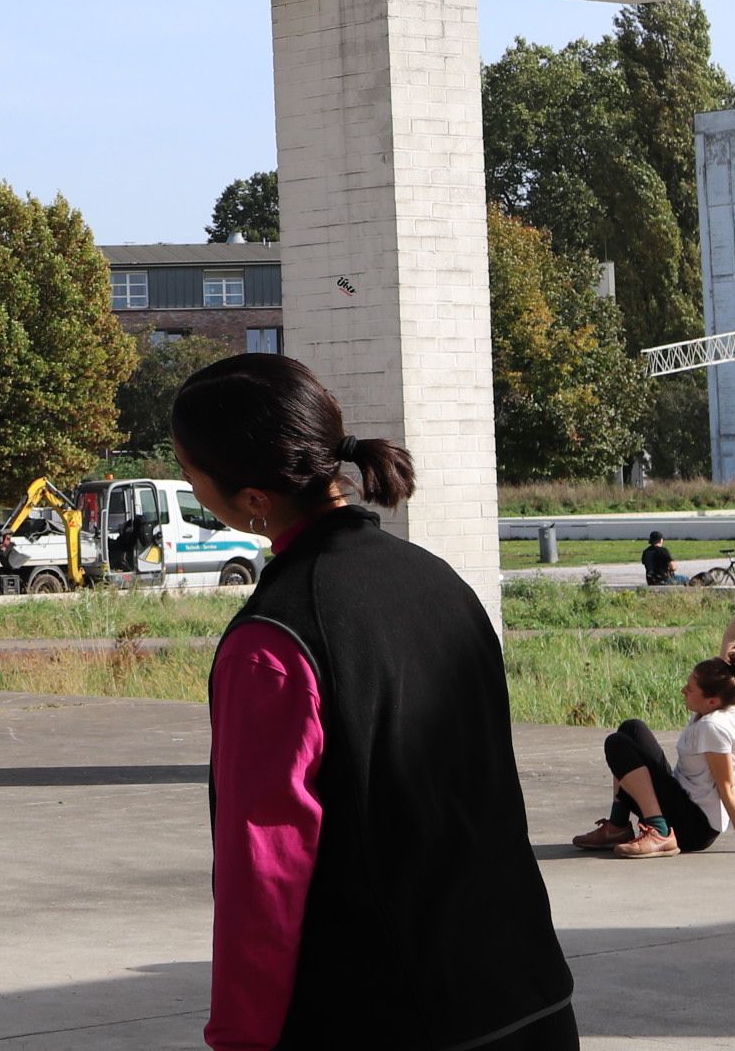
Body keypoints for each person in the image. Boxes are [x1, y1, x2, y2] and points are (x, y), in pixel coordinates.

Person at [175, 353, 577, 1051]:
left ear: (252, 500)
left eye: (190, 471)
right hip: (523, 995)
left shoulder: (274, 640)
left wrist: (241, 1035)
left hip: (380, 1014)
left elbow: (265, 871)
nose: (190, 485)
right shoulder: (439, 584)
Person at [573, 549, 735, 858]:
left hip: (694, 827)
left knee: (617, 745)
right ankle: (619, 826)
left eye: (691, 689)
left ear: (710, 701)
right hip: (682, 798)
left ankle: (660, 831)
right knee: (631, 729)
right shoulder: (725, 698)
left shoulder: (714, 727)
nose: (684, 691)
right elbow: (733, 639)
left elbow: (726, 789)